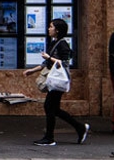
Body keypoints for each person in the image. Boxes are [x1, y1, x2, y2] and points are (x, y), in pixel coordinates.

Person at [24, 18, 89, 147]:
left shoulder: (63, 44)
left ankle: (49, 137)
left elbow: (64, 63)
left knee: (49, 107)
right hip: (54, 80)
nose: (49, 29)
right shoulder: (54, 43)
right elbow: (46, 63)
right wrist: (32, 70)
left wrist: (49, 58)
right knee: (54, 109)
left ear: (57, 30)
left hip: (58, 80)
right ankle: (80, 128)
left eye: (51, 27)